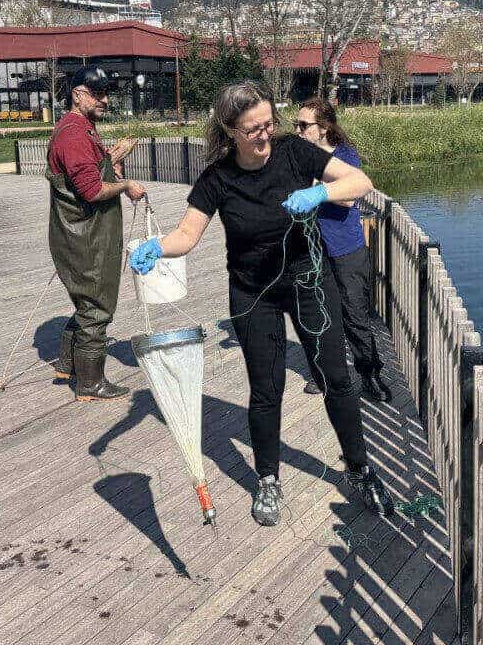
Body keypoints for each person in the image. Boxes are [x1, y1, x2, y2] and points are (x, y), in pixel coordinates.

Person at [129, 81, 394, 526]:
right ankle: (268, 478)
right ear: (230, 130)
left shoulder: (294, 152)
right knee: (267, 389)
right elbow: (187, 234)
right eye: (253, 129)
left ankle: (360, 469)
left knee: (336, 379)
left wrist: (319, 193)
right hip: (254, 294)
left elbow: (359, 181)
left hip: (310, 282)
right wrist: (156, 247)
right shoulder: (218, 178)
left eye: (269, 124)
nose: (265, 135)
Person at [47, 66, 144, 402]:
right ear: (78, 95)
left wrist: (113, 158)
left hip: (88, 233)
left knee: (89, 302)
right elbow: (91, 191)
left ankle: (66, 364)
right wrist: (126, 185)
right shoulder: (73, 135)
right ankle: (90, 383)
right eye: (97, 93)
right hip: (84, 236)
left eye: (107, 93)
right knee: (96, 307)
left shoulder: (82, 128)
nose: (105, 100)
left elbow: (90, 173)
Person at [293, 98, 390, 403]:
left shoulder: (345, 155)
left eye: (304, 125)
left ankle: (369, 375)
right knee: (320, 315)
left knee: (354, 316)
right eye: (296, 124)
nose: (298, 130)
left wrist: (314, 190)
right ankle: (326, 375)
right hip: (312, 250)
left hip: (346, 250)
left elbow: (348, 199)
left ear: (322, 128)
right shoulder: (299, 154)